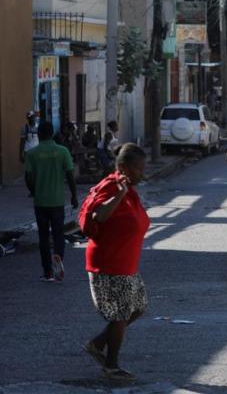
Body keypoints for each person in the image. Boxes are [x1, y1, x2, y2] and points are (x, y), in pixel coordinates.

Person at [83, 143, 149, 381]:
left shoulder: (129, 189)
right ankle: (111, 365)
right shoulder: (113, 187)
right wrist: (119, 195)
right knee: (120, 314)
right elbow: (97, 216)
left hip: (126, 263)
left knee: (138, 308)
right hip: (109, 263)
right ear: (123, 167)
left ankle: (98, 343)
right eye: (139, 168)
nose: (143, 173)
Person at [25, 122, 78, 282]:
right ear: (52, 133)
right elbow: (70, 175)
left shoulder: (32, 153)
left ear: (39, 135)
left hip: (41, 202)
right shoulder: (62, 151)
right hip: (57, 201)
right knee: (58, 233)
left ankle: (47, 272)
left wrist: (34, 192)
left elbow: (28, 178)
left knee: (43, 236)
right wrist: (74, 196)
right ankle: (58, 256)